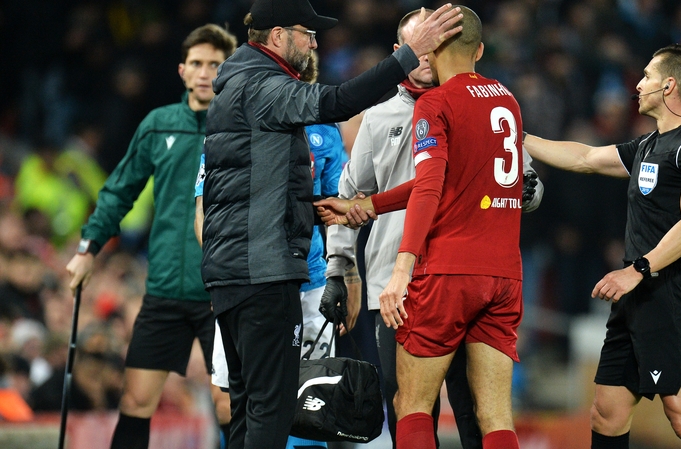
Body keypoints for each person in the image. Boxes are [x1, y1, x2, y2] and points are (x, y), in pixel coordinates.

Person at [199, 1, 464, 448]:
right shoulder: (264, 85)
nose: (314, 43)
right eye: (307, 33)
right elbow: (337, 102)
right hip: (263, 270)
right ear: (279, 36)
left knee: (246, 403)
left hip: (231, 272)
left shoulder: (237, 84)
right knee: (272, 405)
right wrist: (406, 54)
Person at [320, 8, 542, 448]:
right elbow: (429, 184)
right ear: (401, 52)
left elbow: (430, 188)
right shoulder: (504, 100)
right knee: (493, 414)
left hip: (433, 276)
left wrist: (402, 264)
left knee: (417, 408)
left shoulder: (439, 105)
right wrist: (341, 266)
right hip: (489, 273)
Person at [522, 43, 681, 449]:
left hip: (668, 292)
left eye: (647, 76)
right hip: (635, 297)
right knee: (607, 412)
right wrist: (517, 136)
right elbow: (584, 157)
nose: (638, 83)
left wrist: (637, 270)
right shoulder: (650, 145)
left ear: (669, 85)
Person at [64, 24, 237, 449]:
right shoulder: (159, 125)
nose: (203, 72)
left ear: (228, 71)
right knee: (136, 401)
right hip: (163, 290)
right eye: (196, 63)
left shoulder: (241, 127)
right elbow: (119, 190)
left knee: (228, 406)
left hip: (222, 293)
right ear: (181, 70)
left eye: (214, 65)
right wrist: (88, 248)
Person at [193, 49, 350, 449]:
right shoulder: (236, 120)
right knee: (230, 404)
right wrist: (223, 271)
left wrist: (344, 272)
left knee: (311, 404)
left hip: (309, 280)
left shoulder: (324, 130)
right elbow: (204, 208)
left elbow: (337, 208)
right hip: (246, 276)